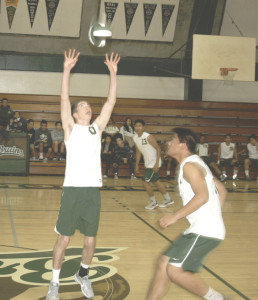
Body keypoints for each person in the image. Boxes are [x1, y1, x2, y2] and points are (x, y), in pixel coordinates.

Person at [46, 49, 120, 300]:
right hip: (73, 190)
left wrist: (113, 74)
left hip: (92, 191)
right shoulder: (70, 129)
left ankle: (83, 274)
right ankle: (54, 283)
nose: (87, 107)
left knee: (90, 242)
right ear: (76, 115)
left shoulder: (96, 130)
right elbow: (64, 99)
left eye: (88, 105)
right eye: (82, 106)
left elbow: (110, 103)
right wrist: (67, 69)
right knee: (64, 240)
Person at [146, 127, 230, 300]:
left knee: (175, 270)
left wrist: (174, 216)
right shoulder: (196, 163)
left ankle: (217, 298)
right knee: (164, 263)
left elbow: (203, 196)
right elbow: (222, 190)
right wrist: (214, 216)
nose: (168, 143)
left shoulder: (190, 166)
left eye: (172, 139)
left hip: (205, 230)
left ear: (183, 145)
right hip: (201, 228)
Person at [133, 119, 173, 209]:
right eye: (136, 126)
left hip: (154, 162)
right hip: (148, 163)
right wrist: (136, 165)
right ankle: (168, 199)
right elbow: (138, 152)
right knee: (156, 181)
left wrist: (156, 164)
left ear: (143, 127)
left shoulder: (148, 137)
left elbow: (158, 149)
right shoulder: (135, 138)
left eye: (139, 126)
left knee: (144, 181)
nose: (137, 127)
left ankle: (153, 201)